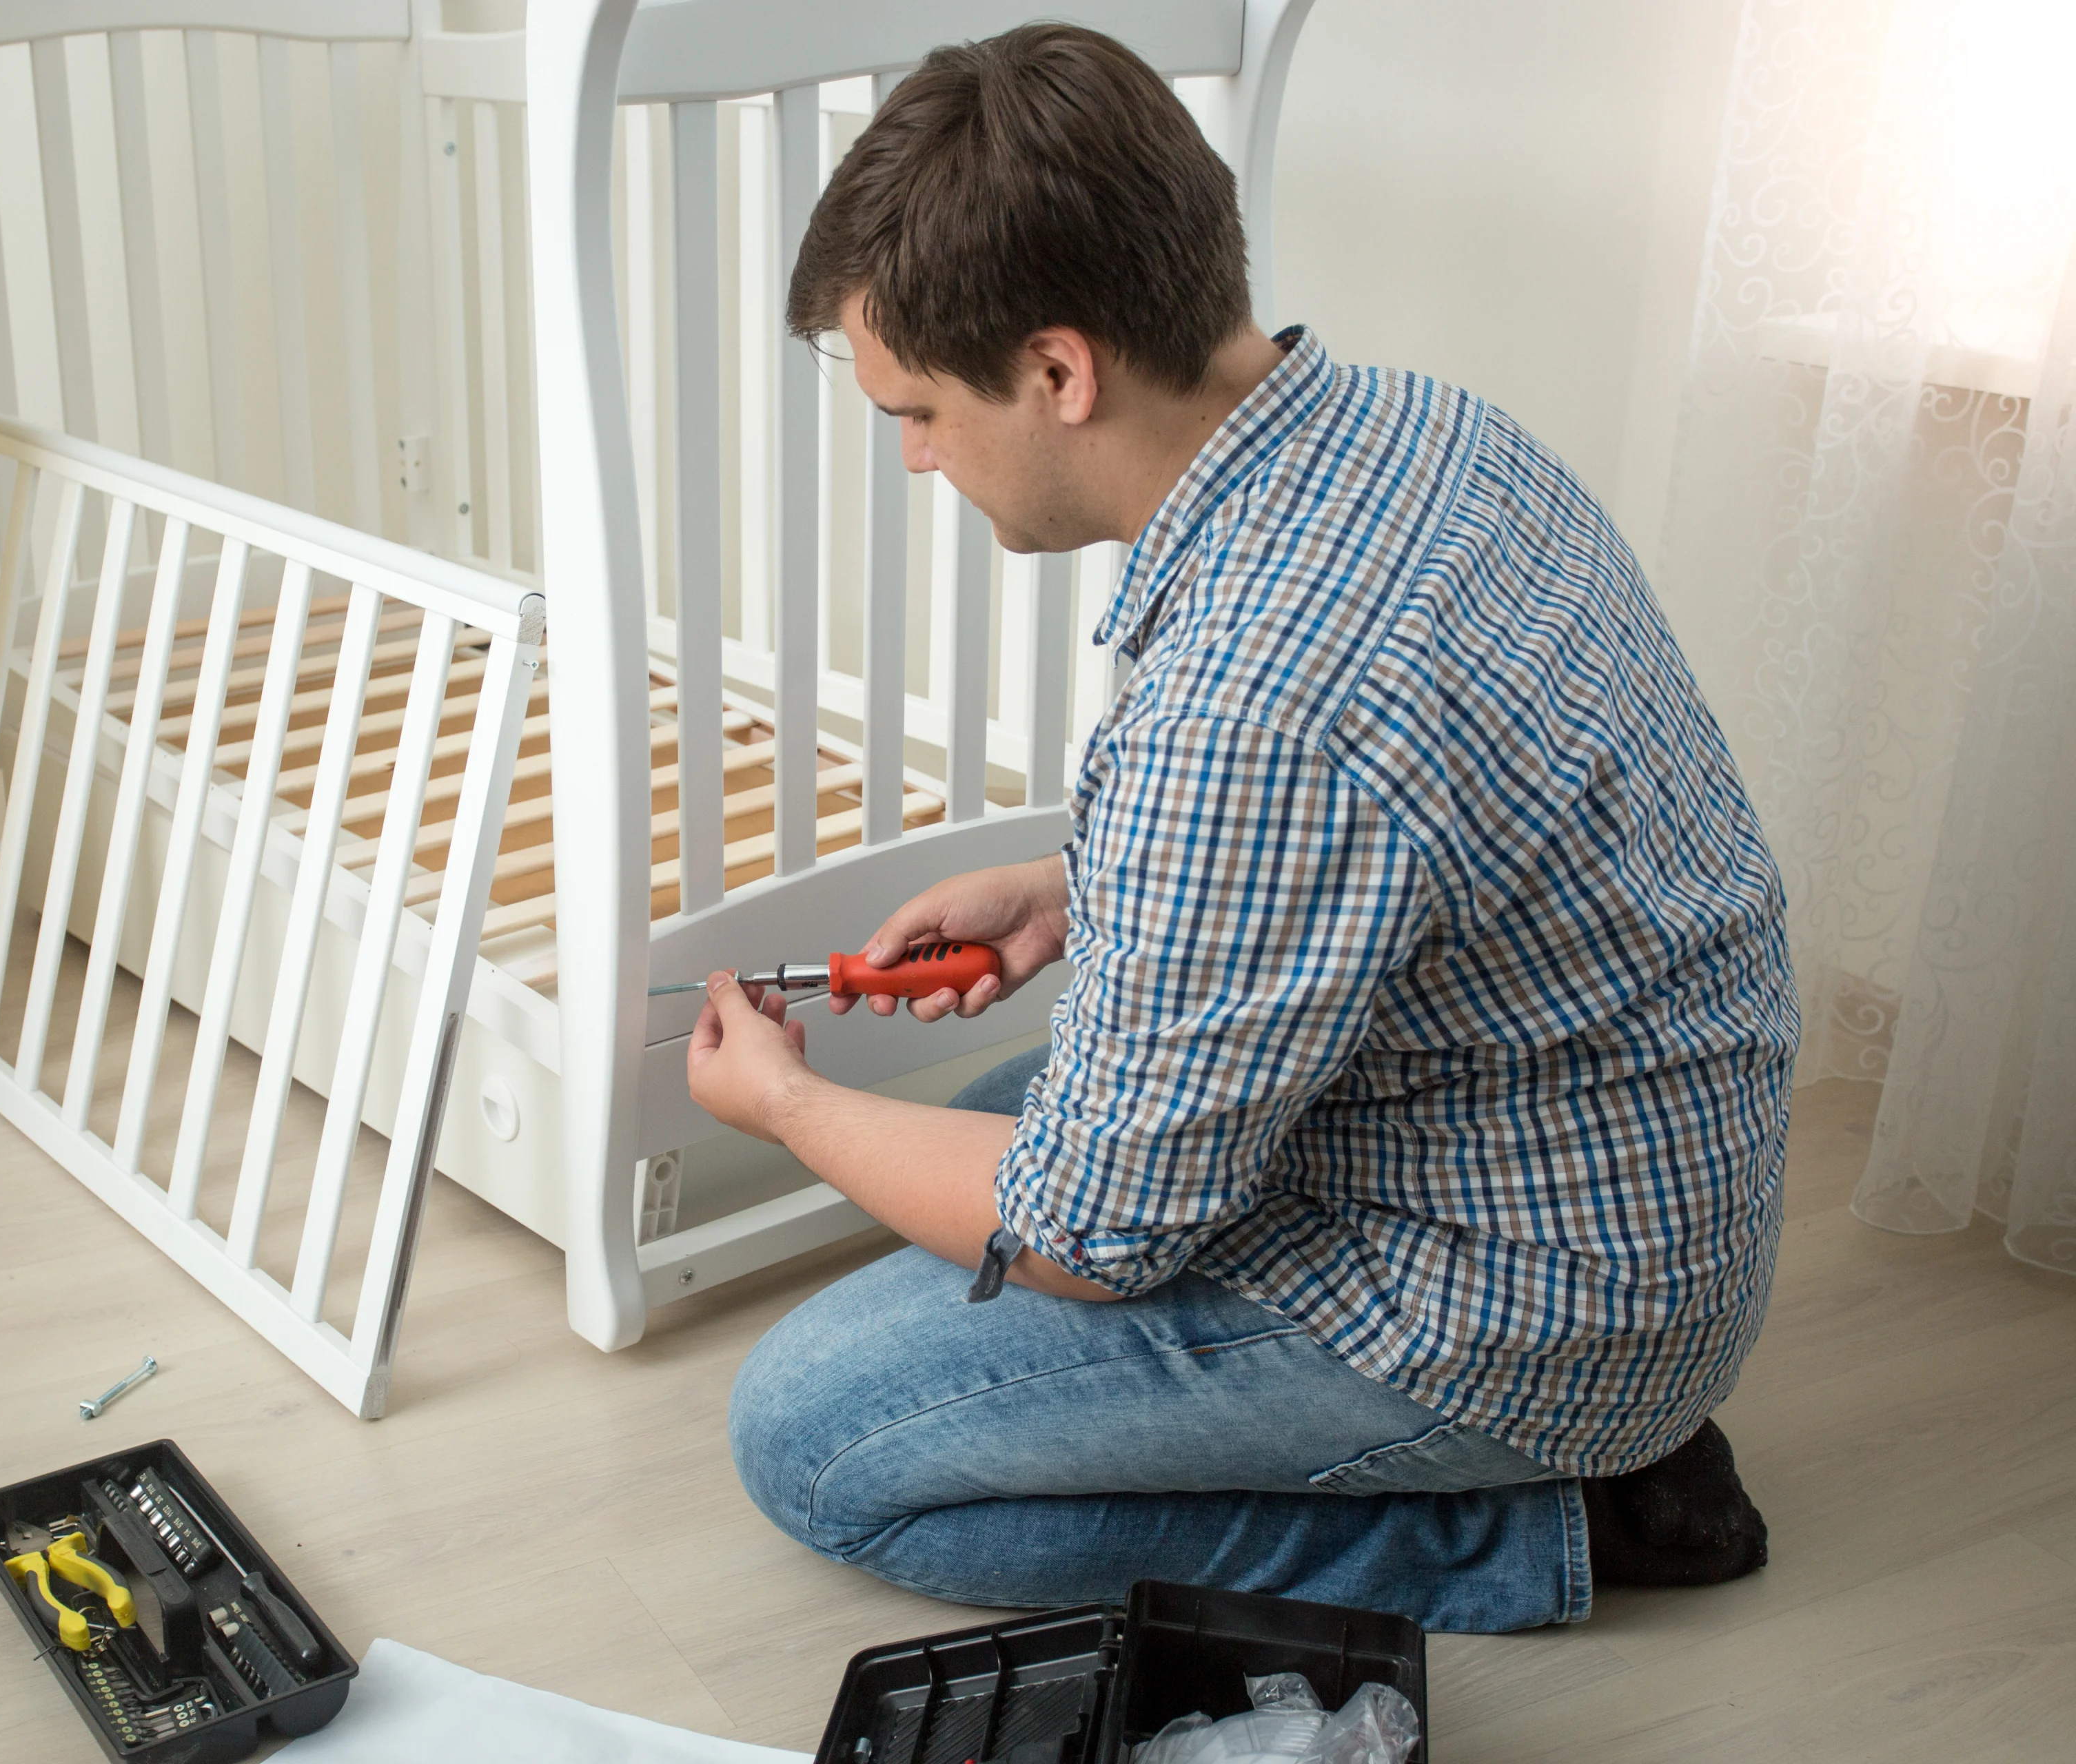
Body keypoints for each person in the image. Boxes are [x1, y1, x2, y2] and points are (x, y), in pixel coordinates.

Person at [681, 23, 1794, 1633]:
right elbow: (1405, 827)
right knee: (1013, 1102)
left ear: (1060, 372)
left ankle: (1533, 1526)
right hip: (1626, 1182)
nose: (915, 455)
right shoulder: (1418, 433)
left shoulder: (1257, 706)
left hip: (1532, 1305)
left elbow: (1085, 1233)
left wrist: (788, 1104)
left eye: (916, 411)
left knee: (817, 1438)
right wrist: (1083, 884)